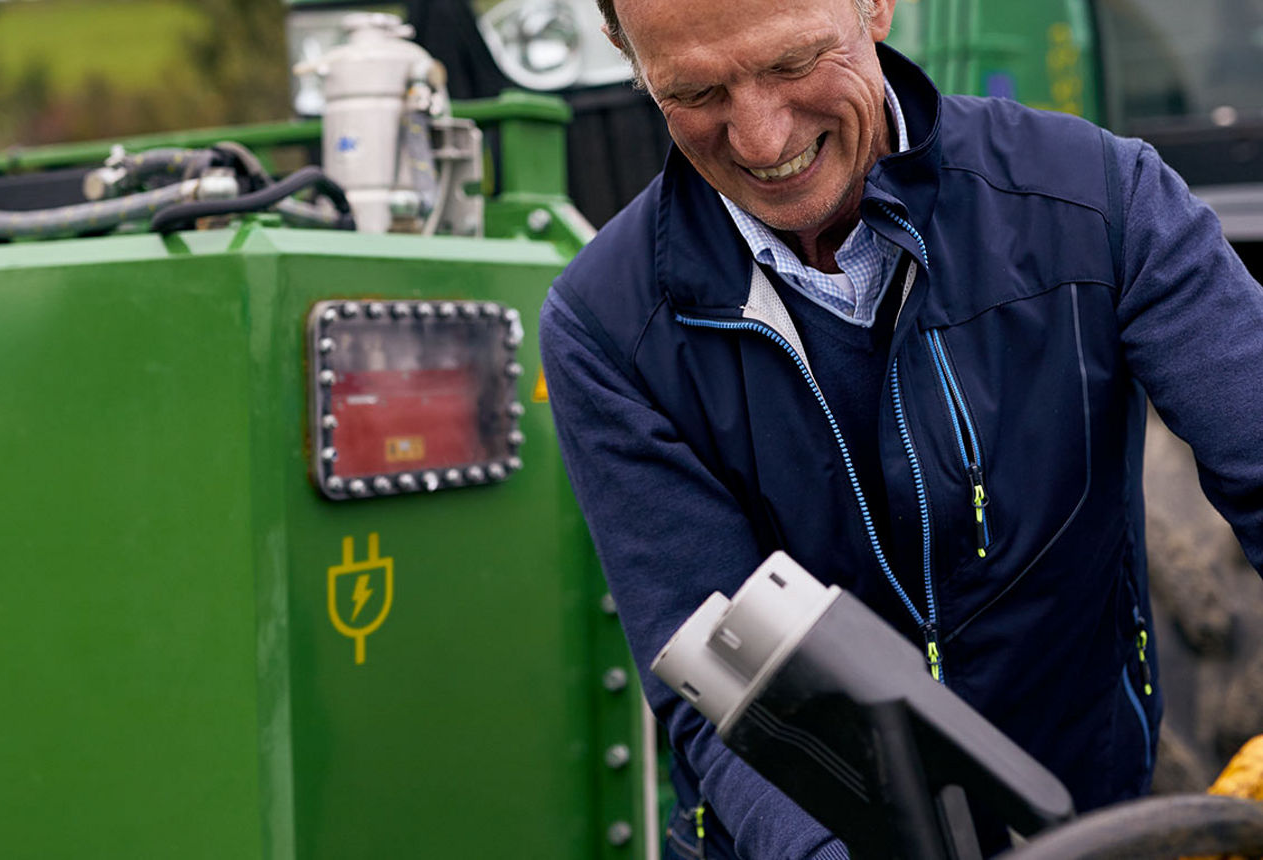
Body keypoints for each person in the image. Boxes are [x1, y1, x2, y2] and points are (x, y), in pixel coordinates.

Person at [538, 0, 1263, 856]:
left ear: (875, 5)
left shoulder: (1099, 202)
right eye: (694, 92)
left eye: (792, 63)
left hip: (1082, 825)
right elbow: (721, 673)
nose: (762, 142)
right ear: (629, 58)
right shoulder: (606, 327)